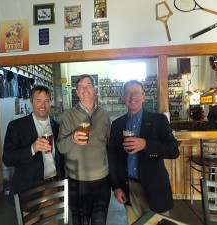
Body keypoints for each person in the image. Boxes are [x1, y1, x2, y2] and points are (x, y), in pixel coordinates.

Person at [108, 80, 180, 225]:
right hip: (129, 188)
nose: (132, 96)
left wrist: (146, 144)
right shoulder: (117, 124)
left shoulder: (158, 120)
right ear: (123, 98)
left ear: (143, 96)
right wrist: (116, 186)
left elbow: (173, 150)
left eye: (136, 92)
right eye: (128, 93)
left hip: (155, 187)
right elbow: (113, 157)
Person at [57, 74, 111, 225]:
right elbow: (61, 147)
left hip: (102, 179)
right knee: (80, 222)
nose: (84, 89)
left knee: (99, 221)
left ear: (95, 90)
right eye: (80, 87)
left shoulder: (104, 114)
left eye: (88, 85)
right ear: (76, 92)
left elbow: (109, 145)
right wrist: (73, 138)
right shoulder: (68, 115)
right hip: (77, 180)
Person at [2, 85, 65, 207]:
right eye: (38, 101)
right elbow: (7, 159)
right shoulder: (16, 127)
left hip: (53, 186)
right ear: (31, 102)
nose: (43, 105)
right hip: (27, 190)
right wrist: (32, 148)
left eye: (46, 101)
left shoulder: (57, 127)